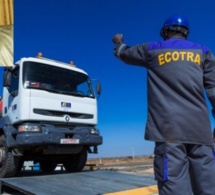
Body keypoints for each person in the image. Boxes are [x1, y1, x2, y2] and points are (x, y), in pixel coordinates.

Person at [112, 14, 215, 195]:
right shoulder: (203, 52)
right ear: (186, 33)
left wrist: (118, 41)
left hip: (169, 131)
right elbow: (214, 89)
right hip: (201, 132)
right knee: (208, 183)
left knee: (174, 185)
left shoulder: (152, 49)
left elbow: (123, 53)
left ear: (165, 32)